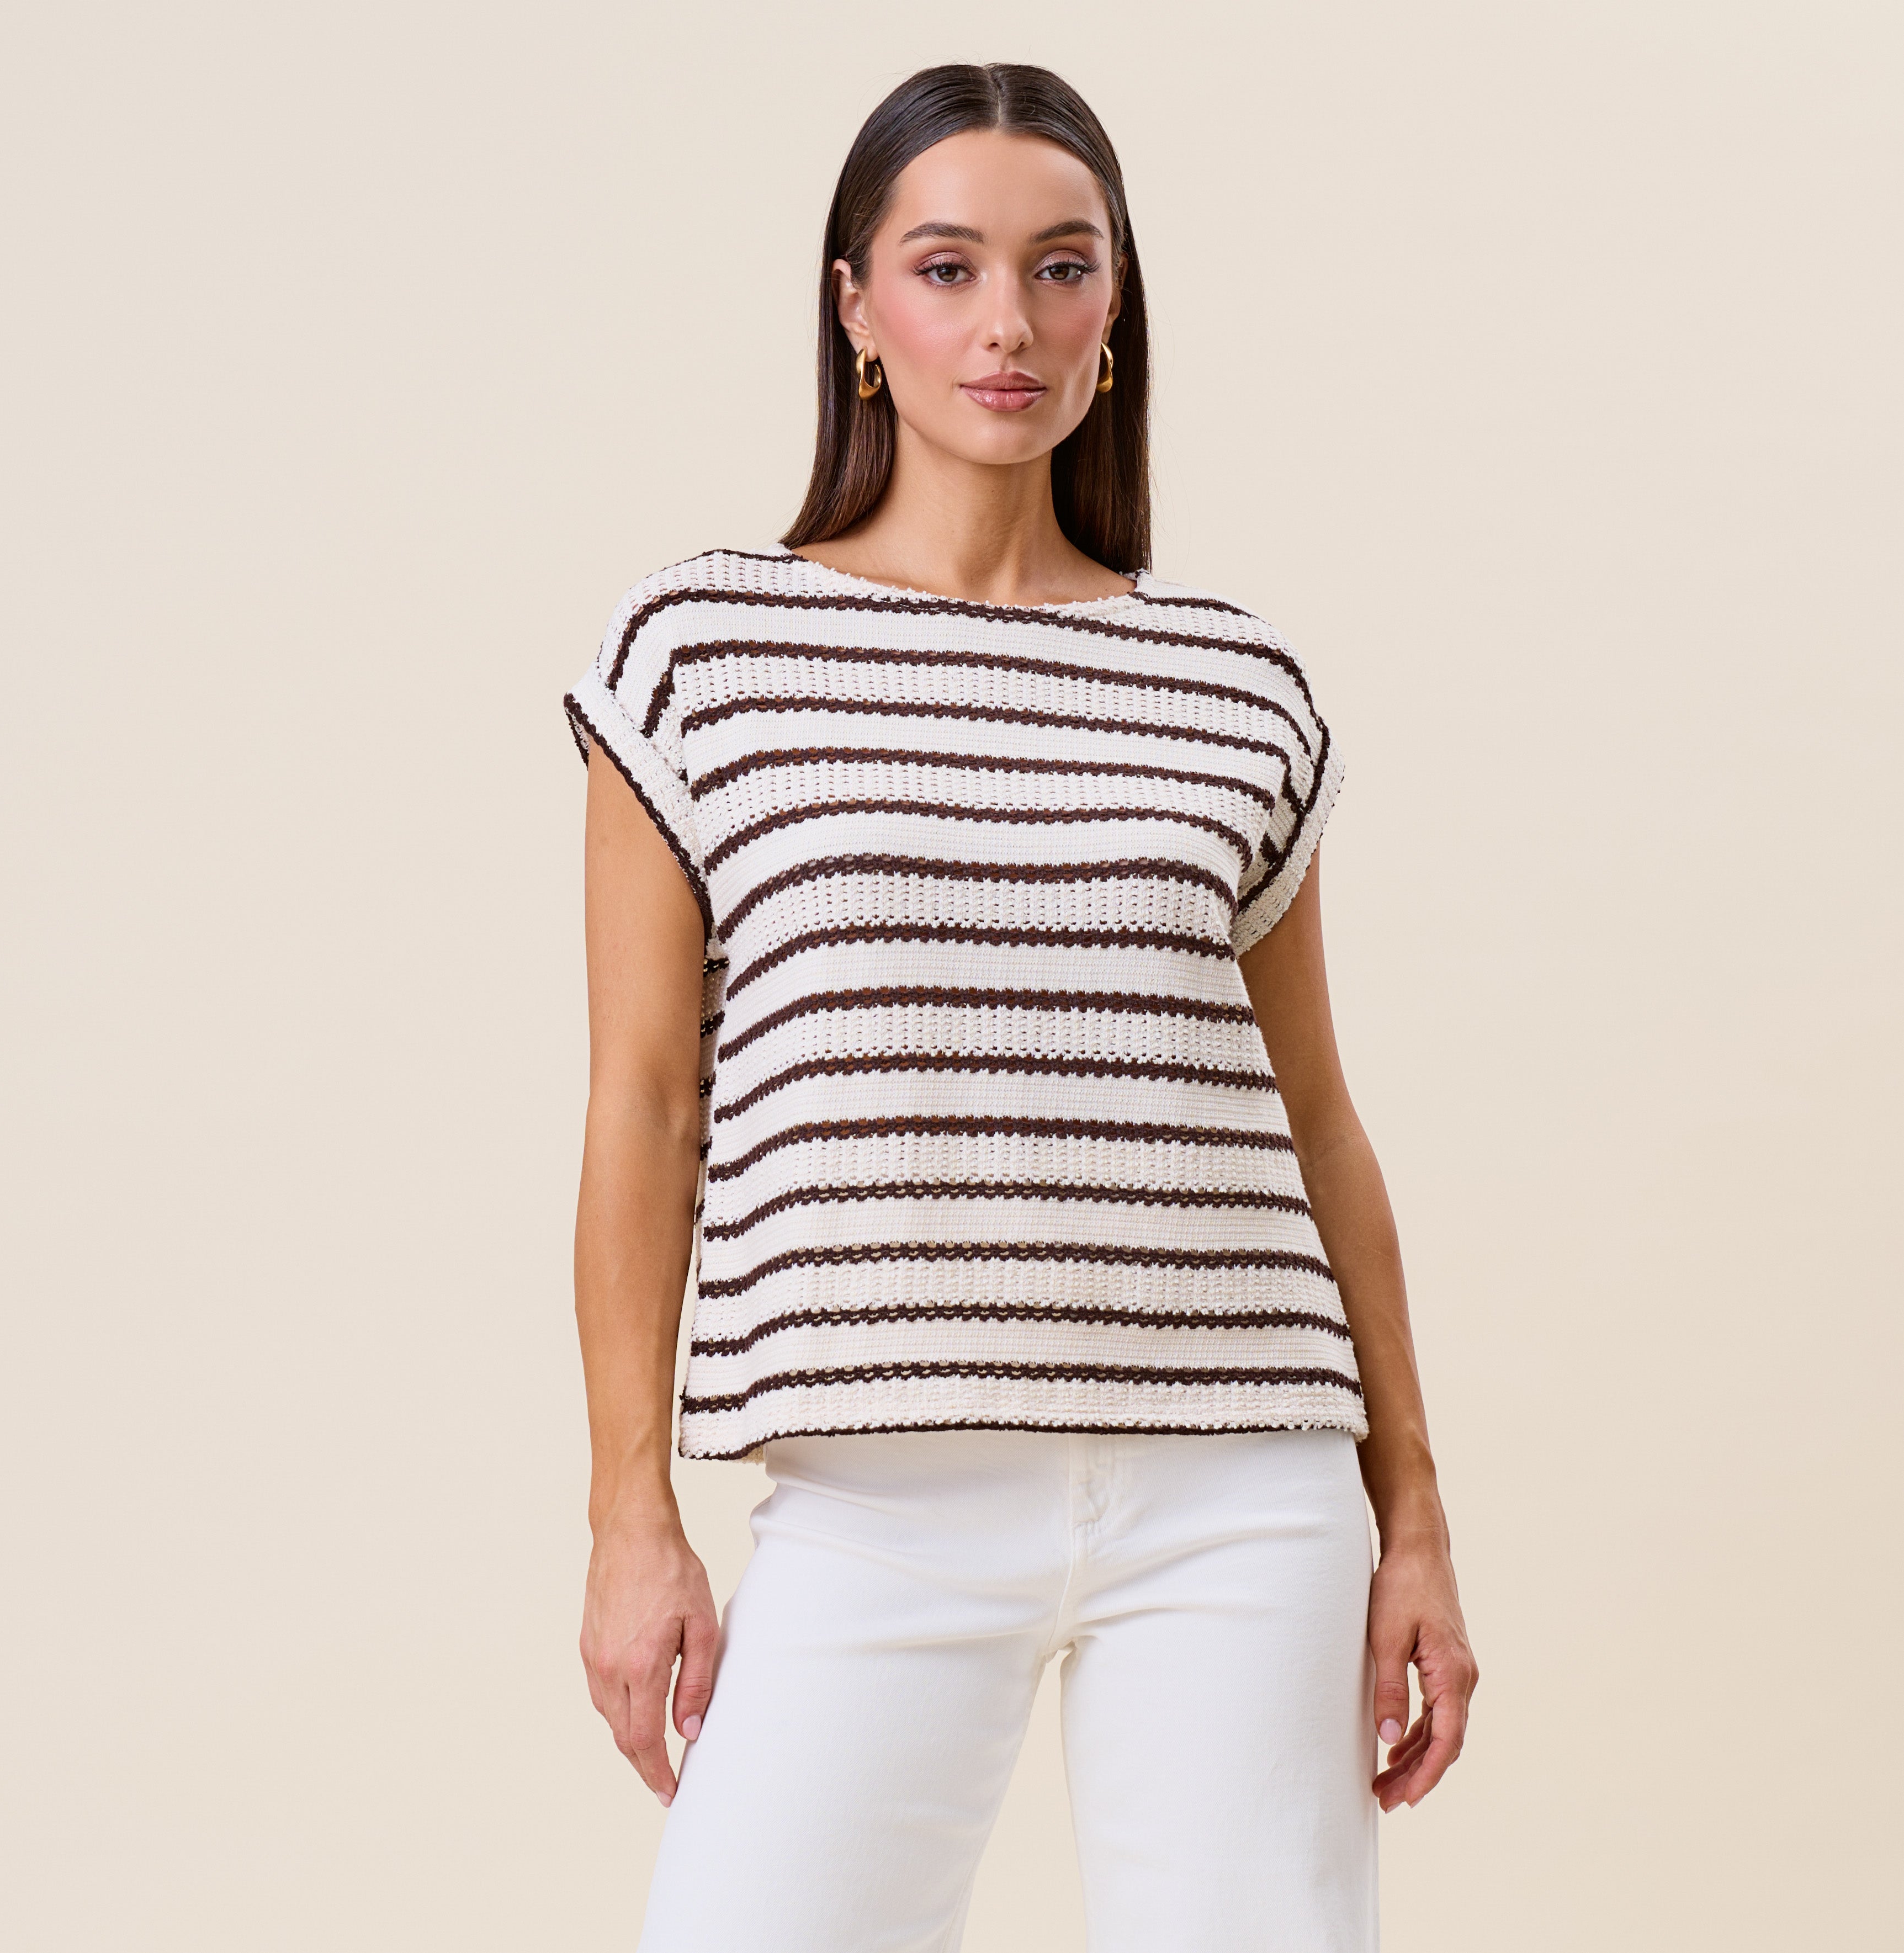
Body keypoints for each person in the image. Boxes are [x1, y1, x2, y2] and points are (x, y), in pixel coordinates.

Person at [564, 61, 1476, 1953]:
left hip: (1243, 1485)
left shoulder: (1233, 684)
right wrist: (627, 1509)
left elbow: (1316, 1118)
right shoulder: (700, 655)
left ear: (1114, 308)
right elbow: (645, 1103)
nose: (1008, 323)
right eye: (947, 267)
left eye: (1061, 268)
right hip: (875, 1486)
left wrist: (1415, 1518)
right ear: (854, 309)